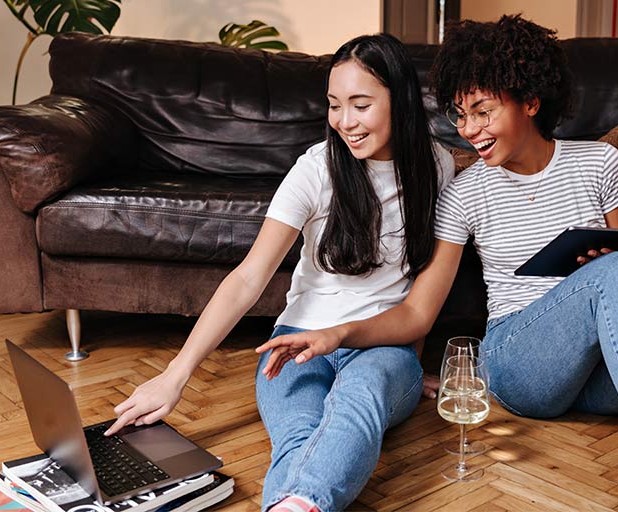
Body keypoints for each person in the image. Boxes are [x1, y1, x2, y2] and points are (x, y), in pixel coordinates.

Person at [256, 16, 618, 512]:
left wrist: (601, 270)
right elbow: (420, 312)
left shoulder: (601, 161)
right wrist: (342, 333)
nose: (470, 129)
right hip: (521, 364)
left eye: (484, 111)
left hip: (607, 363)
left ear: (529, 100)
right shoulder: (464, 191)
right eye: (461, 115)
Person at [105, 33, 455, 512]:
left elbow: (419, 288)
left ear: (402, 101)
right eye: (334, 105)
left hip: (381, 346)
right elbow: (249, 278)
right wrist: (175, 374)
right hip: (294, 343)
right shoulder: (314, 170)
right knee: (299, 433)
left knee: (359, 399)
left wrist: (408, 365)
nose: (344, 122)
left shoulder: (436, 166)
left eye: (361, 104)